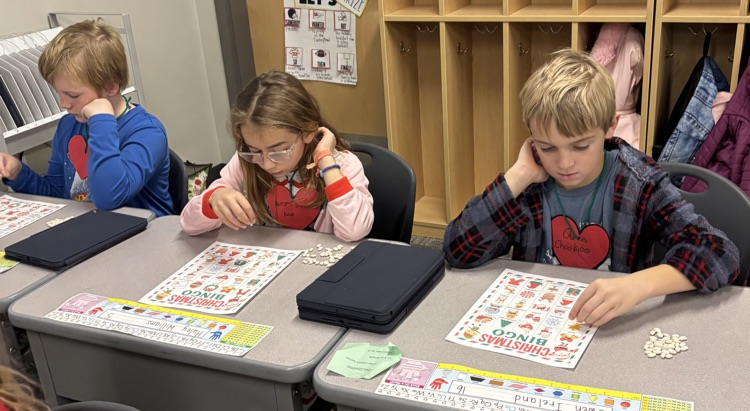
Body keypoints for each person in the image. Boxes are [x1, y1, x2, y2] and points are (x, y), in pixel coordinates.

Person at [443, 48, 740, 327]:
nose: (564, 163)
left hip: (613, 325)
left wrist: (639, 285)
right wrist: (519, 175)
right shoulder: (530, 182)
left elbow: (721, 253)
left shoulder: (640, 183)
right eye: (547, 147)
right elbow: (459, 250)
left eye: (581, 146)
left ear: (610, 126)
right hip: (542, 320)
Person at [0, 20, 173, 216]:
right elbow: (57, 194)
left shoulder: (147, 132)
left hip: (146, 228)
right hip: (90, 225)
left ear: (110, 87)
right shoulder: (68, 125)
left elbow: (110, 198)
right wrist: (19, 173)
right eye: (59, 93)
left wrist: (102, 121)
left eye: (73, 95)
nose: (63, 104)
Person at [180, 71, 373, 241]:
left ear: (308, 131)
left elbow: (355, 231)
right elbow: (188, 224)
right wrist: (213, 199)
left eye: (278, 152)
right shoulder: (245, 161)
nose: (267, 164)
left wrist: (326, 162)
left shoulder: (342, 164)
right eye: (255, 151)